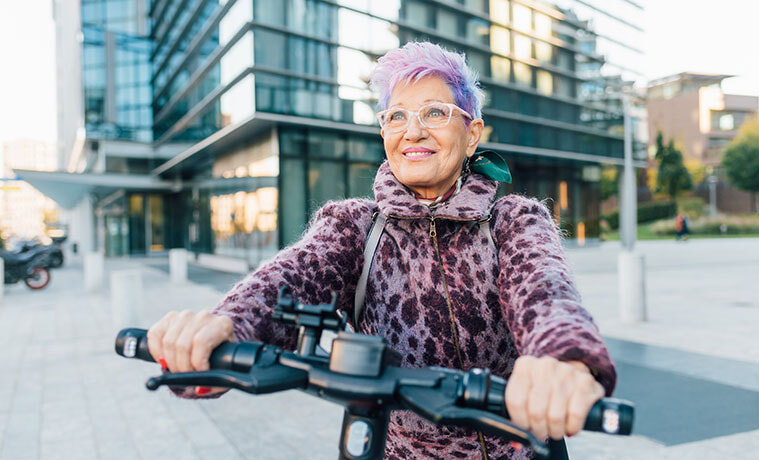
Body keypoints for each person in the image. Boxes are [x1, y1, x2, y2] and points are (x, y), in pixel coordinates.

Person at [146, 42, 616, 459]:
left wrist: (564, 359)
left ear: (472, 134)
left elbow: (546, 295)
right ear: (385, 132)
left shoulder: (514, 221)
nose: (413, 131)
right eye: (397, 116)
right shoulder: (356, 227)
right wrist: (223, 325)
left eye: (434, 112)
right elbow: (291, 278)